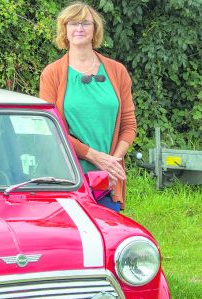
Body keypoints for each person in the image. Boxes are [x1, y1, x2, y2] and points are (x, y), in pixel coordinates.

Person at [39, 1, 137, 211]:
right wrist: (94, 156)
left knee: (108, 238)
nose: (79, 28)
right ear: (65, 30)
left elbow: (129, 126)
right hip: (68, 177)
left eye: (85, 23)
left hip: (107, 179)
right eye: (73, 23)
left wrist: (113, 163)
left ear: (95, 30)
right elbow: (50, 129)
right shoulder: (52, 73)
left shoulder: (117, 71)